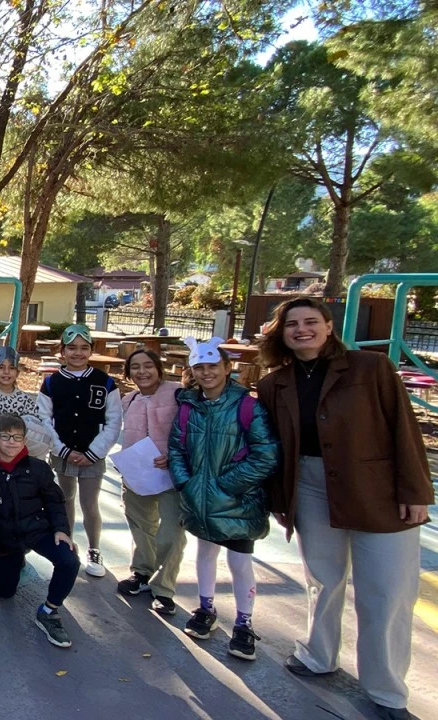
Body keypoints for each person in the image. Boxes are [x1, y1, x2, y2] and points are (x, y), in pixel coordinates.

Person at [256, 298, 432, 720]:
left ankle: (387, 691)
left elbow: (404, 429)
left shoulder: (370, 368)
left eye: (310, 321)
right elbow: (275, 447)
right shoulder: (275, 383)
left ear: (329, 326)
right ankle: (318, 654)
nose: (301, 329)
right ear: (281, 333)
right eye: (292, 324)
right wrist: (281, 500)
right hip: (309, 486)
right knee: (322, 578)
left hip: (376, 489)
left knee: (387, 591)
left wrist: (415, 492)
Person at [169, 337, 278, 662]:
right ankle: (206, 608)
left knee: (240, 562)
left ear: (227, 367)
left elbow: (265, 455)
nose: (207, 373)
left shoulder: (248, 407)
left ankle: (244, 622)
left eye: (213, 366)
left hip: (238, 502)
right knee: (205, 553)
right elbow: (176, 448)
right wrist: (187, 483)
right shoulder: (188, 407)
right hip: (200, 501)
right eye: (199, 367)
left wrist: (226, 486)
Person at [0, 413, 80, 648]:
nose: (12, 442)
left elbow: (54, 501)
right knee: (5, 592)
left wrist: (61, 529)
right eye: (6, 437)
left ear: (25, 440)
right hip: (4, 538)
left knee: (69, 560)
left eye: (17, 437)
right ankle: (16, 558)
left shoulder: (38, 468)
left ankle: (49, 611)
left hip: (36, 531)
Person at [36, 324, 121, 578]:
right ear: (62, 351)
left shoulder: (105, 382)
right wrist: (62, 449)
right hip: (63, 453)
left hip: (92, 455)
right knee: (65, 499)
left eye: (84, 348)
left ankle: (94, 549)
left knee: (90, 502)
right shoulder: (51, 383)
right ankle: (68, 544)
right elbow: (44, 419)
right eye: (72, 348)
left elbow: (113, 420)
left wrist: (94, 452)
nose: (78, 353)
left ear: (91, 350)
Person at [116, 349, 185, 616]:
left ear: (158, 368)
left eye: (148, 365)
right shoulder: (129, 400)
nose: (142, 372)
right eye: (135, 367)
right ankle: (142, 572)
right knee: (141, 526)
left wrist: (176, 455)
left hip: (171, 473)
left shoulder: (178, 393)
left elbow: (193, 429)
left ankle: (164, 588)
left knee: (172, 532)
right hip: (138, 474)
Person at [0, 346, 51, 458]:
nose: (6, 372)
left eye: (11, 368)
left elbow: (35, 426)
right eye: (1, 367)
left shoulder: (24, 399)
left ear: (17, 373)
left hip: (14, 453)